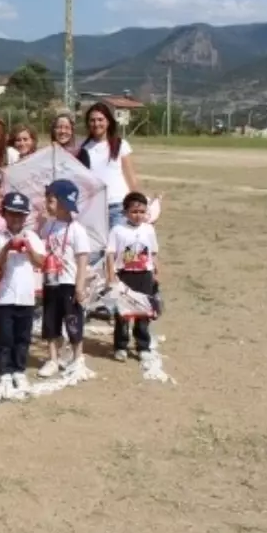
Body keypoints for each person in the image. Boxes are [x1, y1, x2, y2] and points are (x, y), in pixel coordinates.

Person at [0, 192, 45, 390]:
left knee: (23, 337)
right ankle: (3, 371)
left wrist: (28, 248)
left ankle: (19, 370)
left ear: (26, 217)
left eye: (20, 215)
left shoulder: (33, 237)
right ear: (4, 214)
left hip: (26, 297)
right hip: (4, 295)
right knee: (4, 336)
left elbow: (42, 262)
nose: (16, 218)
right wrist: (7, 248)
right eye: (12, 214)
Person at [38, 180, 91, 378]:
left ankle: (78, 358)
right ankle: (53, 358)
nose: (47, 205)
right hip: (51, 281)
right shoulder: (49, 225)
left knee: (73, 320)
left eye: (51, 201)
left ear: (61, 202)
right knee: (50, 321)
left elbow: (82, 259)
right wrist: (40, 222)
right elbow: (41, 244)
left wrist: (80, 285)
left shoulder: (77, 229)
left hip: (69, 282)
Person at [105, 191, 160, 362]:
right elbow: (110, 254)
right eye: (134, 212)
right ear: (125, 212)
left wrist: (156, 272)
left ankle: (142, 345)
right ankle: (120, 345)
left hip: (144, 275)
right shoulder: (118, 230)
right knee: (123, 313)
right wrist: (111, 276)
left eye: (142, 212)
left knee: (143, 312)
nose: (138, 215)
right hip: (124, 275)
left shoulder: (149, 229)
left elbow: (154, 252)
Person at [81, 102, 141, 229]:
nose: (96, 124)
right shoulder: (83, 148)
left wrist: (138, 205)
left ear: (108, 121)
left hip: (118, 206)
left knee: (120, 248)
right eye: (92, 120)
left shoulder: (120, 145)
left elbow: (131, 177)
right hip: (94, 209)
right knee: (97, 249)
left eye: (100, 119)